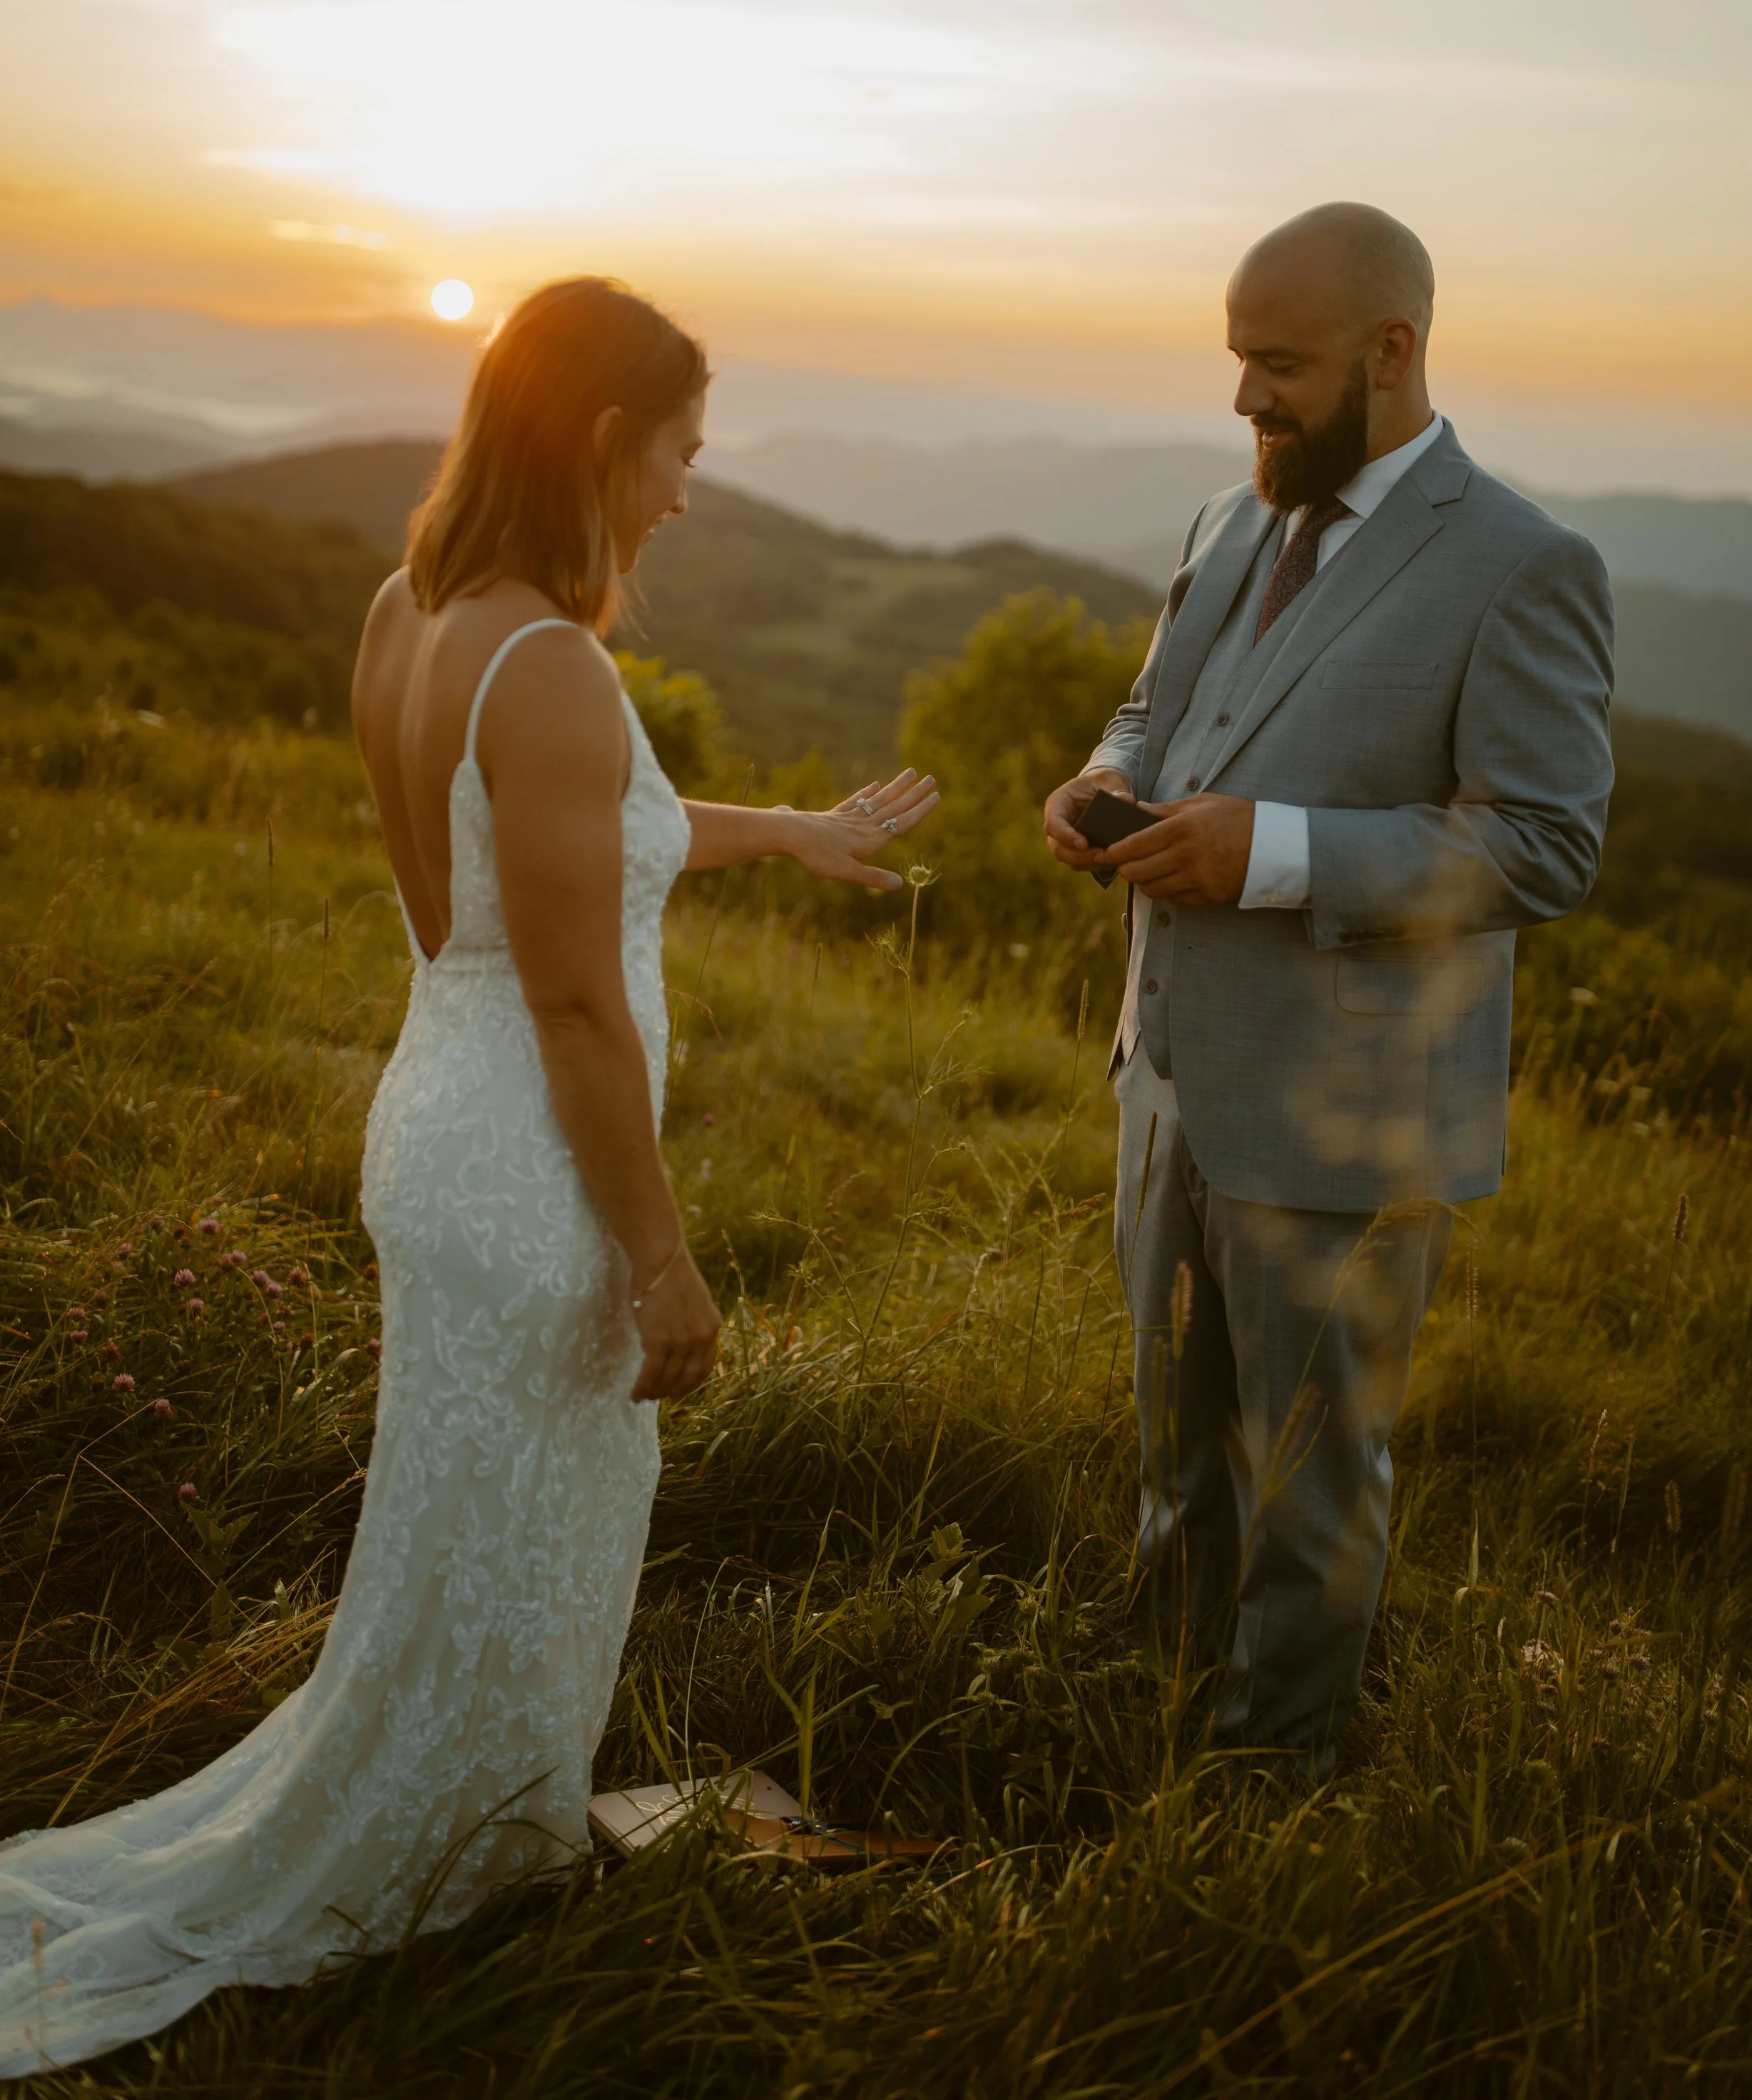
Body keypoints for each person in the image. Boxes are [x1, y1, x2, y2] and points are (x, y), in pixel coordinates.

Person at [0, 275, 939, 2076]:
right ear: (602, 440)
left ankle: (440, 1845)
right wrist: (662, 1263)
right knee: (523, 1567)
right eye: (675, 454)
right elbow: (582, 1003)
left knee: (449, 1551)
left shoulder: (408, 612)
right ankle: (452, 1900)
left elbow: (561, 848)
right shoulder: (558, 665)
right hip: (535, 1174)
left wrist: (791, 833)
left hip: (435, 1130)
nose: (682, 493)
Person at [1044, 203, 1614, 1773]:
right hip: (1162, 1077)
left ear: (1389, 350)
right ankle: (1158, 1726)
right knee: (1176, 1462)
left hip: (1348, 1116)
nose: (1243, 401)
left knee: (1305, 1481)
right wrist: (1100, 780)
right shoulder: (1227, 525)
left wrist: (1272, 851)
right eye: (1235, 362)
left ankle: (1265, 1789)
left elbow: (1546, 849)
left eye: (1275, 365)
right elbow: (1149, 707)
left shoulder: (1521, 564)